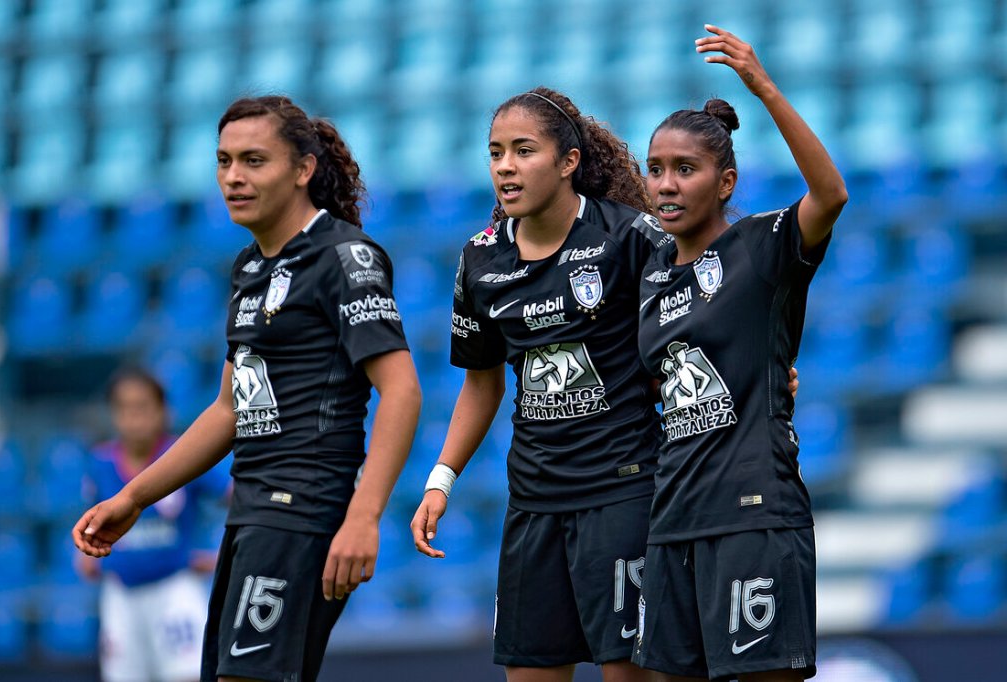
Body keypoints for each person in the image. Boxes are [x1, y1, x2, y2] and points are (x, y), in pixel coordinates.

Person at [73, 95, 422, 682]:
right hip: (253, 513)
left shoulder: (345, 257)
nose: (233, 177)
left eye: (254, 160)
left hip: (300, 510)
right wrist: (133, 497)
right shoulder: (249, 268)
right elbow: (229, 410)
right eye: (224, 161)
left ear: (302, 169)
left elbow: (403, 390)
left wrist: (365, 515)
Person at [411, 85, 670, 682]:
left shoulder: (630, 237)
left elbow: (694, 327)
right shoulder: (479, 261)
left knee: (628, 672)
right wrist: (440, 483)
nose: (506, 165)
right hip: (532, 500)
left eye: (523, 150)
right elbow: (482, 384)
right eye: (496, 152)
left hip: (623, 490)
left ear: (568, 161)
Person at [631, 26, 847, 682]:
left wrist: (763, 86)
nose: (666, 185)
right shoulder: (651, 273)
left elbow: (830, 195)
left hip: (753, 515)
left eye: (686, 170)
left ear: (725, 182)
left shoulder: (761, 248)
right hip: (672, 522)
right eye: (657, 168)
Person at [77, 367, 231, 682]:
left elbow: (234, 497)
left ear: (162, 410)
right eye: (125, 409)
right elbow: (90, 514)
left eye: (143, 407)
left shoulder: (183, 456)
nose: (135, 419)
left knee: (187, 674)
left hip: (174, 588)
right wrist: (85, 553)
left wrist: (221, 554)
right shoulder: (100, 462)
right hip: (120, 593)